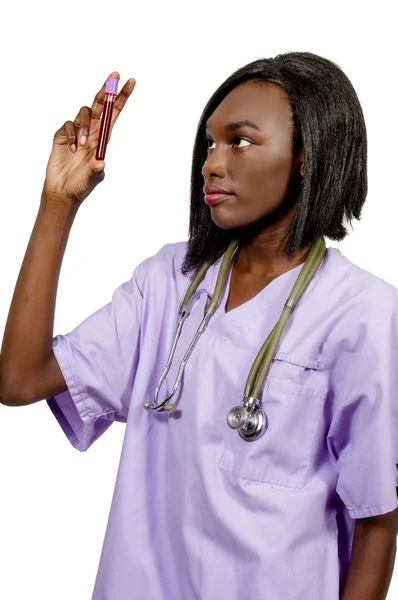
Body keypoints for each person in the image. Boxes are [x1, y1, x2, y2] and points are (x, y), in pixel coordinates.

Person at [0, 52, 397, 600]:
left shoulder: (361, 312)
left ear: (307, 155)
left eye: (240, 140)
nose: (211, 163)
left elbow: (377, 523)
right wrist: (56, 205)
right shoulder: (168, 282)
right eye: (210, 143)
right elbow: (20, 379)